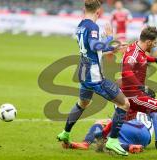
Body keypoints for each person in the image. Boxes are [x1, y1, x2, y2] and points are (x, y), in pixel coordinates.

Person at [56, 0, 130, 156]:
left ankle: (65, 133)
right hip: (94, 76)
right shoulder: (92, 26)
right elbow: (95, 45)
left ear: (84, 9)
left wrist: (113, 48)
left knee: (83, 103)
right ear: (99, 11)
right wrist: (109, 38)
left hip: (83, 70)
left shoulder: (81, 25)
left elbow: (91, 49)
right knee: (124, 104)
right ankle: (113, 141)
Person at [63, 112, 157, 153]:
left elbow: (115, 120)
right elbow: (156, 120)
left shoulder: (128, 99)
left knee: (101, 122)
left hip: (131, 127)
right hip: (145, 138)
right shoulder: (149, 104)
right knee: (111, 141)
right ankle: (129, 147)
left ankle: (86, 143)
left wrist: (100, 134)